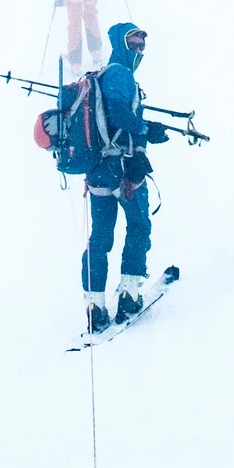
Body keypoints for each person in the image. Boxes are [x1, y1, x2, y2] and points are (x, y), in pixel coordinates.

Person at [81, 21, 163, 328]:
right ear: (119, 43)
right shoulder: (121, 73)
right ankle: (129, 293)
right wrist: (144, 129)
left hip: (98, 172)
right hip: (124, 168)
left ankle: (94, 305)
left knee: (100, 237)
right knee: (139, 225)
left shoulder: (102, 76)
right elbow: (117, 111)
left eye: (142, 44)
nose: (138, 49)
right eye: (133, 43)